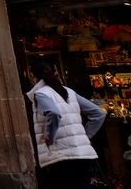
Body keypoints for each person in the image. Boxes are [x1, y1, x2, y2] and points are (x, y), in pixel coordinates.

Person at [27, 60, 106, 189]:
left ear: (33, 77)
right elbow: (98, 113)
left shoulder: (42, 93)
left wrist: (49, 136)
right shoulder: (69, 91)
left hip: (61, 154)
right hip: (81, 153)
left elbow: (53, 113)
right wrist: (86, 137)